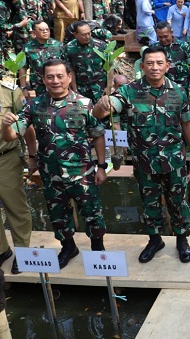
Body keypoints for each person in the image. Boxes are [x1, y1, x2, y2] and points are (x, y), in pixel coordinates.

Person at [93, 46, 190, 264]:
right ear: (142, 67)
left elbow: (187, 124)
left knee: (178, 202)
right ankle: (154, 240)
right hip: (144, 163)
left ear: (167, 66)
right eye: (149, 63)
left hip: (174, 161)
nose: (155, 67)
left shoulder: (179, 92)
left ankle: (181, 240)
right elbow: (104, 110)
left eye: (159, 63)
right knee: (149, 203)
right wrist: (103, 105)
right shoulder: (129, 91)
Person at [1, 59, 108, 269]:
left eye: (60, 76)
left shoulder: (84, 103)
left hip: (82, 171)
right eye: (50, 77)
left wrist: (102, 166)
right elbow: (14, 134)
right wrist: (5, 127)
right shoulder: (34, 105)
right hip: (51, 172)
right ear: (42, 79)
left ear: (69, 77)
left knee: (92, 212)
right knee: (58, 214)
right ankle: (68, 246)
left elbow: (98, 135)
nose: (55, 81)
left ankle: (98, 249)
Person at [0, 81, 34, 274]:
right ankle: (1, 251)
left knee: (15, 206)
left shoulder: (10, 92)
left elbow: (26, 125)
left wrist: (32, 155)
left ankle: (23, 253)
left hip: (5, 158)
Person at [20, 20, 64, 98]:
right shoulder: (28, 48)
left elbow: (67, 65)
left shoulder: (58, 45)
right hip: (39, 85)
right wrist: (24, 88)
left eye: (47, 29)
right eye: (41, 30)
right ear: (34, 33)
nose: (45, 32)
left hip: (57, 83)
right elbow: (22, 68)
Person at [153, 21, 190, 94]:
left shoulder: (183, 46)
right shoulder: (154, 48)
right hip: (163, 86)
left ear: (171, 32)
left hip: (182, 85)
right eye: (160, 37)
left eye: (165, 36)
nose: (163, 39)